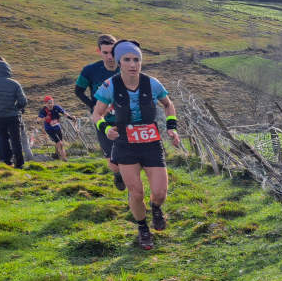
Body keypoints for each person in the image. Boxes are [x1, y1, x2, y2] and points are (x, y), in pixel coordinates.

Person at [90, 40, 182, 250]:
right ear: (119, 62)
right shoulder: (110, 86)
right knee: (136, 192)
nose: (133, 64)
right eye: (127, 59)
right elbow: (96, 114)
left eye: (137, 59)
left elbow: (168, 105)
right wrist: (106, 129)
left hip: (151, 142)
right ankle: (142, 228)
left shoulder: (153, 84)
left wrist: (172, 128)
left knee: (159, 192)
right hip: (126, 144)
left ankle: (156, 208)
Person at [75, 34, 123, 189]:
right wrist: (93, 107)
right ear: (99, 51)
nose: (110, 57)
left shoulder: (126, 66)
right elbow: (78, 91)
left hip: (126, 119)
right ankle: (118, 174)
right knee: (111, 159)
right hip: (103, 121)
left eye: (113, 52)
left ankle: (133, 187)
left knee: (130, 157)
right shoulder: (90, 70)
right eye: (105, 53)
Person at [0, 56, 28, 168]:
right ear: (7, 68)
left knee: (3, 139)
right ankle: (19, 163)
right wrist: (16, 108)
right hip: (13, 116)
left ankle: (7, 162)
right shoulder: (15, 83)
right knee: (16, 140)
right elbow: (23, 101)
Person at [38, 95, 77, 161]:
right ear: (45, 104)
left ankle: (56, 155)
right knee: (60, 143)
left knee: (60, 142)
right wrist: (43, 119)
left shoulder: (56, 107)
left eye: (51, 102)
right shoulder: (43, 110)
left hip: (57, 127)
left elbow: (64, 113)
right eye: (48, 103)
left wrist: (71, 118)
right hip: (49, 129)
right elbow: (38, 120)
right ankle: (64, 159)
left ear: (53, 102)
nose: (50, 104)